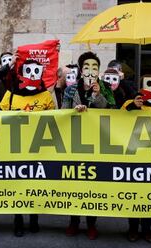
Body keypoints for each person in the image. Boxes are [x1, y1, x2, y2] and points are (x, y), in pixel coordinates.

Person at [0, 59, 54, 237]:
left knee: (34, 184)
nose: (31, 75)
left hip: (38, 148)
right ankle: (18, 219)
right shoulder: (11, 95)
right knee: (17, 184)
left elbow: (54, 118)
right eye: (28, 71)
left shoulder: (45, 96)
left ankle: (33, 218)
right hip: (15, 146)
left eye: (35, 71)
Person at [62, 51, 107, 240]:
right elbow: (62, 112)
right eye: (87, 67)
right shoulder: (71, 90)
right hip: (75, 142)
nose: (91, 71)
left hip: (96, 142)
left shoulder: (105, 88)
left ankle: (91, 223)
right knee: (75, 184)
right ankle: (73, 221)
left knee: (92, 185)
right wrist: (75, 111)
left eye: (94, 67)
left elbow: (111, 111)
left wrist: (97, 96)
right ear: (81, 70)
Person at [121, 75, 151, 243]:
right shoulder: (130, 103)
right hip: (133, 157)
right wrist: (134, 105)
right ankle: (133, 228)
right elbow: (119, 118)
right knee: (134, 195)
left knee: (148, 196)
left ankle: (147, 229)